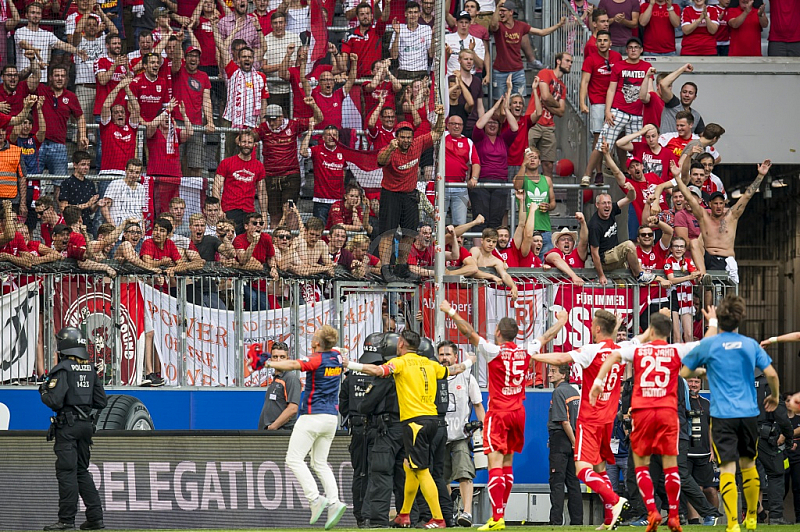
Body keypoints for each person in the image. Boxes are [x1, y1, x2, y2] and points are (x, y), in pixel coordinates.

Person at [439, 300, 568, 531]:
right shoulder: (526, 349)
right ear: (516, 335)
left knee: (494, 463)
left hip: (499, 412)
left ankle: (497, 517)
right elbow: (547, 336)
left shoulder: (494, 350)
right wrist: (561, 321)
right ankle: (501, 514)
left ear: (498, 332)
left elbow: (468, 332)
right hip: (518, 412)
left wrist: (450, 309)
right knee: (507, 464)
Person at [344, 329, 476, 529]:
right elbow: (455, 370)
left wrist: (349, 364)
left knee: (421, 471)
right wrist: (470, 362)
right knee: (410, 467)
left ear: (401, 345)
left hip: (414, 424)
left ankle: (438, 518)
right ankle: (404, 514)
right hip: (433, 421)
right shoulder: (431, 364)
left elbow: (378, 371)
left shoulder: (400, 363)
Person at [591, 312, 708, 532]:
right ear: (667, 333)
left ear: (651, 331)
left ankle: (652, 511)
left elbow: (612, 357)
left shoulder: (637, 350)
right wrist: (714, 322)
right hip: (667, 413)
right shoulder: (675, 349)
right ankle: (673, 514)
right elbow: (705, 343)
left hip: (643, 413)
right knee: (671, 466)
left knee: (642, 466)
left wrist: (598, 381)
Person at [680, 295, 782, 532]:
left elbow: (685, 371)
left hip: (722, 416)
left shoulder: (711, 344)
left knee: (727, 468)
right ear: (739, 320)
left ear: (719, 320)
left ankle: (733, 523)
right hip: (747, 414)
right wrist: (775, 397)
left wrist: (707, 372)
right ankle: (753, 518)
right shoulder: (749, 344)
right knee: (749, 465)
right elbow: (773, 375)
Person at [529, 310, 636, 530]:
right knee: (599, 468)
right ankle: (609, 519)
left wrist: (534, 355)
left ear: (597, 329)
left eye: (592, 325)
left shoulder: (591, 350)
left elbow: (561, 358)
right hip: (608, 419)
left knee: (581, 471)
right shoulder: (622, 350)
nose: (589, 328)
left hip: (590, 419)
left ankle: (615, 500)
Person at [265, 325, 347, 529]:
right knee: (319, 463)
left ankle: (315, 499)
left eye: (314, 336)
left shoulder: (316, 359)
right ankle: (334, 502)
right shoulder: (336, 356)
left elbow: (292, 364)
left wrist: (265, 362)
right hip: (331, 418)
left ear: (317, 343)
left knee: (293, 459)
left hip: (312, 416)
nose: (312, 338)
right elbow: (343, 355)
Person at [39, 327, 107, 531]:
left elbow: (54, 401)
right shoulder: (90, 369)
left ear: (63, 347)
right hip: (86, 426)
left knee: (67, 473)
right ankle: (95, 518)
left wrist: (43, 390)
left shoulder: (63, 369)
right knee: (82, 472)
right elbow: (101, 401)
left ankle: (66, 520)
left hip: (67, 427)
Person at [674, 153, 769, 285]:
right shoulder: (704, 216)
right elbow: (689, 198)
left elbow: (747, 196)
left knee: (720, 293)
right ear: (710, 204)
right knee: (695, 242)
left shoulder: (731, 216)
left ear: (724, 204)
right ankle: (703, 275)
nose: (718, 206)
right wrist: (677, 178)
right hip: (708, 256)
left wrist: (760, 176)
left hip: (725, 257)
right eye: (715, 203)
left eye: (721, 203)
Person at [377, 105, 445, 282]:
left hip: (409, 195)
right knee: (388, 233)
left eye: (409, 137)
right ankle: (385, 268)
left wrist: (440, 116)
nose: (406, 140)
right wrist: (391, 149)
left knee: (410, 233)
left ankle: (401, 266)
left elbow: (438, 132)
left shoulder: (419, 143)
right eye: (403, 137)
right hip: (390, 194)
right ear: (396, 138)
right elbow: (380, 161)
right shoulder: (389, 150)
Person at [437, 340, 485, 527]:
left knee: (465, 473)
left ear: (456, 357)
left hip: (460, 436)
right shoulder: (435, 375)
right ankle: (447, 512)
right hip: (439, 435)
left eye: (448, 354)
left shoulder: (467, 377)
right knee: (442, 477)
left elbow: (478, 405)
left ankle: (467, 513)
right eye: (441, 354)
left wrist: (485, 429)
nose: (444, 358)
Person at [339, 333, 382, 528]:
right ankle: (370, 514)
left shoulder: (350, 376)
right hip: (377, 427)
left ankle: (360, 517)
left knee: (359, 473)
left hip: (356, 429)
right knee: (376, 473)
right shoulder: (381, 372)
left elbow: (343, 406)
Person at [489, 0, 564, 98]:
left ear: (511, 12)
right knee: (499, 103)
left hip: (517, 71)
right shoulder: (499, 25)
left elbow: (541, 32)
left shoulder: (521, 25)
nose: (500, 13)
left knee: (519, 102)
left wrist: (558, 25)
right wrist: (498, 6)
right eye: (500, 11)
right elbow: (493, 25)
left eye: (503, 11)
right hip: (500, 71)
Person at [579, 30, 622, 186]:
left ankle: (615, 167)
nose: (602, 43)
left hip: (616, 103)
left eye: (605, 40)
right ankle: (598, 173)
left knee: (618, 136)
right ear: (596, 43)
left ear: (610, 43)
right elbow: (584, 82)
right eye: (600, 40)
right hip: (598, 102)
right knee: (598, 138)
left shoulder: (617, 57)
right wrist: (582, 103)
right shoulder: (590, 59)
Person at [588, 189, 656, 286]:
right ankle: (639, 274)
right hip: (605, 260)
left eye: (609, 203)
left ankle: (637, 283)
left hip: (615, 257)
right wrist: (601, 275)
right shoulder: (594, 225)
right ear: (597, 205)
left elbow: (630, 198)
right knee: (629, 245)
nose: (607, 206)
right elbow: (594, 253)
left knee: (626, 287)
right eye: (603, 203)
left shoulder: (611, 210)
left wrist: (632, 189)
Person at [754, 369, 793, 525]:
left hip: (740, 436)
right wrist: (788, 436)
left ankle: (751, 514)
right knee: (776, 474)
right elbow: (781, 415)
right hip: (765, 437)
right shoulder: (768, 384)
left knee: (745, 476)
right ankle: (776, 516)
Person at [213, 131, 268, 234]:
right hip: (229, 210)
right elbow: (216, 187)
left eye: (249, 142)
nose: (246, 145)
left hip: (249, 213)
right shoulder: (227, 163)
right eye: (244, 142)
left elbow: (262, 192)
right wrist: (219, 209)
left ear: (254, 144)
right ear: (238, 142)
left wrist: (264, 214)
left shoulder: (259, 166)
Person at [547, 364, 582, 526]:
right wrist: (576, 443)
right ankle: (577, 522)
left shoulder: (558, 392)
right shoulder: (575, 392)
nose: (549, 374)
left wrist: (573, 442)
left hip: (562, 440)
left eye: (553, 371)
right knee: (574, 483)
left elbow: (564, 421)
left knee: (557, 483)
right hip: (573, 439)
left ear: (563, 375)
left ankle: (555, 522)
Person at [530, 52, 571, 178]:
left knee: (548, 164)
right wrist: (556, 104)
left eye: (571, 62)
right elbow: (545, 96)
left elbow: (561, 111)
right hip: (534, 122)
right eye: (567, 61)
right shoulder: (545, 73)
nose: (570, 64)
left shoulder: (563, 87)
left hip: (549, 126)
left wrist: (549, 105)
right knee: (528, 160)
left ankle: (547, 194)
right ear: (558, 61)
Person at [257, 342, 301, 430]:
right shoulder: (275, 379)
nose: (278, 360)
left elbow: (293, 408)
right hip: (270, 433)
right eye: (275, 357)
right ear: (271, 359)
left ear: (287, 359)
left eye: (282, 357)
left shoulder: (291, 378)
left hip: (280, 433)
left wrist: (273, 427)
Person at [390, 2, 433, 80]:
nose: (413, 15)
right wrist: (397, 34)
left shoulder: (426, 29)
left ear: (419, 14)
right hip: (404, 72)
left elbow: (431, 54)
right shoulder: (399, 28)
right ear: (405, 14)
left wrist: (433, 36)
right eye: (410, 12)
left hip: (421, 72)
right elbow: (394, 56)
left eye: (415, 12)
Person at [545, 216, 589, 286]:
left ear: (574, 244)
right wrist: (574, 276)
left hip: (577, 294)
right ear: (557, 244)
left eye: (570, 239)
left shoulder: (577, 253)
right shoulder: (554, 252)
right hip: (557, 294)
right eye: (563, 239)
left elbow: (584, 241)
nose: (566, 241)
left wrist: (583, 222)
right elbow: (555, 259)